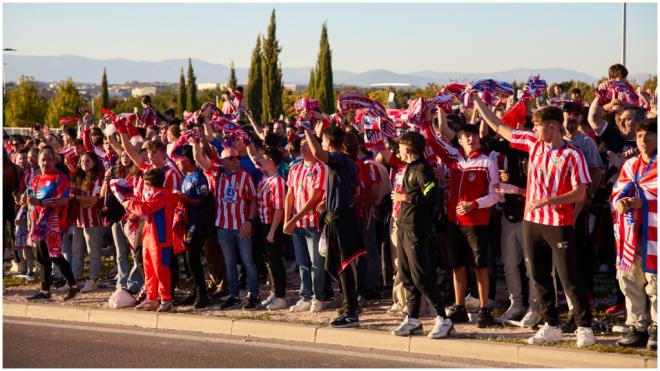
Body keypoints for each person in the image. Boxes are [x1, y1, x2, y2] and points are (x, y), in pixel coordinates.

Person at [474, 95, 596, 348]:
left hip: (558, 222)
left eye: (537, 126)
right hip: (532, 221)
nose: (532, 130)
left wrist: (549, 200)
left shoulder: (572, 154)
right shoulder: (533, 143)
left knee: (568, 276)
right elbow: (500, 127)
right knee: (538, 275)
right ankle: (551, 324)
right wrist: (477, 101)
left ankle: (584, 326)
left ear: (552, 125)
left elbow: (581, 192)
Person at [378, 130, 455, 338]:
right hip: (402, 225)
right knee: (405, 274)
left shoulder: (422, 169)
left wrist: (406, 198)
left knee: (421, 275)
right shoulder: (407, 169)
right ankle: (412, 318)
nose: (399, 151)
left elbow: (431, 198)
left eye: (401, 148)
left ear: (409, 149)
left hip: (416, 229)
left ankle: (443, 318)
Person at [422, 121, 499, 328]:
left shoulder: (487, 162)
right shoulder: (454, 158)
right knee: (457, 266)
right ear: (460, 141)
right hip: (453, 222)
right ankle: (460, 306)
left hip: (476, 222)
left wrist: (474, 204)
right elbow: (432, 141)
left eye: (474, 136)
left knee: (479, 266)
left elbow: (495, 195)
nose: (471, 140)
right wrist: (426, 120)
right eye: (467, 137)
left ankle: (484, 309)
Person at [304, 123, 366, 328]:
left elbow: (318, 154)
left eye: (323, 141)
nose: (321, 144)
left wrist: (307, 129)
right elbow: (356, 192)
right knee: (343, 267)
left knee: (345, 266)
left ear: (329, 143)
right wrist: (332, 198)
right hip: (343, 215)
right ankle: (348, 305)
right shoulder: (349, 161)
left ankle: (350, 313)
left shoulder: (339, 158)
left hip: (341, 219)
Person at [191, 141, 260, 310]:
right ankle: (234, 296)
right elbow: (198, 158)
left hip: (242, 225)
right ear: (223, 161)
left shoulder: (245, 176)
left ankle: (255, 295)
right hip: (223, 226)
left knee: (248, 261)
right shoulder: (217, 174)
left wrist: (249, 222)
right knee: (229, 263)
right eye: (231, 158)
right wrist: (195, 142)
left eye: (237, 157)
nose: (236, 161)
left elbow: (253, 201)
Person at [611, 118, 657, 350]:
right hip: (631, 233)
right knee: (629, 278)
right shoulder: (630, 165)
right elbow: (618, 191)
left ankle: (657, 329)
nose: (643, 140)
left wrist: (644, 202)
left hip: (655, 235)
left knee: (655, 283)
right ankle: (638, 325)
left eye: (649, 135)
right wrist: (620, 203)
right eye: (639, 136)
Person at [25, 147, 79, 301]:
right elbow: (30, 199)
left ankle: (73, 285)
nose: (46, 162)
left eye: (49, 159)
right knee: (42, 258)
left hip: (53, 223)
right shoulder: (35, 180)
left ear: (55, 161)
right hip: (37, 223)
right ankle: (44, 290)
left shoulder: (61, 178)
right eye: (43, 159)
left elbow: (64, 200)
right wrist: (24, 201)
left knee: (55, 256)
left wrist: (41, 202)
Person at [283, 138, 327, 312]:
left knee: (316, 262)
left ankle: (319, 296)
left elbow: (314, 198)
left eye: (306, 145)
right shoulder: (295, 168)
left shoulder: (320, 168)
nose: (302, 148)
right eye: (300, 145)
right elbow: (290, 195)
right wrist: (288, 219)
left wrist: (293, 219)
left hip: (313, 223)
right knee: (302, 262)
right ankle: (305, 296)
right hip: (297, 224)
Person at [121, 168, 174, 312]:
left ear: (148, 183)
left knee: (161, 271)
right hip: (149, 239)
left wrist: (126, 203)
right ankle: (151, 299)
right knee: (149, 271)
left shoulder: (162, 196)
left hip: (160, 240)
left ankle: (166, 299)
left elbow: (144, 209)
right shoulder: (156, 196)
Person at [247, 145, 288, 311]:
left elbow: (280, 208)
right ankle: (274, 290)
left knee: (275, 260)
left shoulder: (277, 181)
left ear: (271, 161)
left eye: (264, 158)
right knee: (269, 261)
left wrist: (271, 231)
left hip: (273, 225)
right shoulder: (265, 177)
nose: (261, 160)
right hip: (263, 223)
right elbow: (253, 156)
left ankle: (281, 295)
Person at [70, 151, 105, 293]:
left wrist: (76, 197)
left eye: (88, 161)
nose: (84, 163)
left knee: (93, 252)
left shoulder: (98, 178)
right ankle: (75, 280)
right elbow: (86, 201)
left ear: (94, 162)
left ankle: (93, 279)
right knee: (76, 251)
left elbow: (93, 201)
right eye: (82, 161)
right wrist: (81, 199)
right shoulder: (77, 177)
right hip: (78, 220)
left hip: (93, 220)